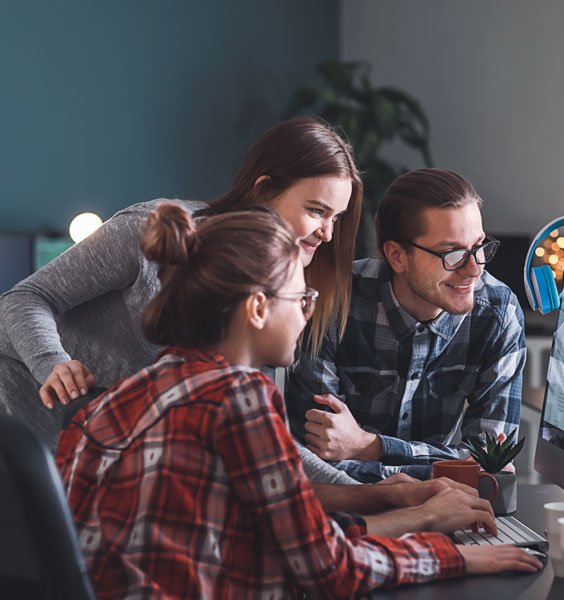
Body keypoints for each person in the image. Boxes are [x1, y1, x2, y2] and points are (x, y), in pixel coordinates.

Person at [55, 205, 540, 599]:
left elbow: (282, 515)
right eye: (301, 299)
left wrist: (385, 494)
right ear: (259, 308)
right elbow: (328, 568)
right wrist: (446, 551)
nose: (310, 315)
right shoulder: (238, 398)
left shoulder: (130, 392)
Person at [0, 118, 357, 482]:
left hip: (92, 465)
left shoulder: (265, 295)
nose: (328, 233)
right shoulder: (147, 231)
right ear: (264, 190)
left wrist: (361, 489)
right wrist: (52, 363)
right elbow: (24, 297)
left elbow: (263, 443)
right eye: (316, 211)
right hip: (19, 427)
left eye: (337, 218)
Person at [287, 169, 526, 481]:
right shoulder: (332, 303)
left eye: (479, 247)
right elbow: (319, 463)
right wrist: (446, 469)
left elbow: (492, 463)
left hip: (445, 509)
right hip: (348, 509)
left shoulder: (498, 313)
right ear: (397, 256)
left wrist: (370, 447)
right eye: (452, 254)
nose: (473, 269)